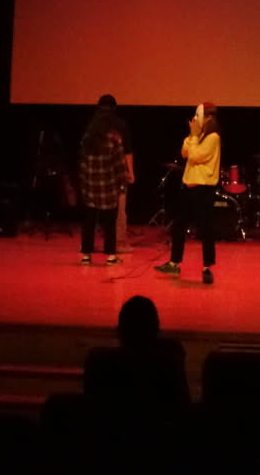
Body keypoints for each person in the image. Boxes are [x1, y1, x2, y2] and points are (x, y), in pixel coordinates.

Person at [82, 295, 191, 418]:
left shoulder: (98, 362)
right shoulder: (170, 362)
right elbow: (183, 408)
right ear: (156, 329)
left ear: (120, 331)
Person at [155, 103, 221, 284]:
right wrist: (192, 135)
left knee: (205, 229)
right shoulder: (197, 136)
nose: (195, 119)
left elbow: (196, 156)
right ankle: (174, 263)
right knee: (179, 226)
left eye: (199, 116)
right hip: (189, 187)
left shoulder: (213, 138)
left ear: (208, 118)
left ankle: (207, 267)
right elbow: (185, 152)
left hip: (204, 189)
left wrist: (194, 137)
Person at [76, 106, 130, 265]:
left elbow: (82, 164)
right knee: (109, 224)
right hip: (109, 188)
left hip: (90, 187)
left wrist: (83, 184)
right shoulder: (114, 138)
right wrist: (122, 183)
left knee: (89, 223)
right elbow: (119, 165)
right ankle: (111, 256)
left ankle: (86, 255)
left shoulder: (87, 138)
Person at [92, 94, 135, 252]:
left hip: (97, 172)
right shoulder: (120, 125)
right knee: (119, 209)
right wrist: (130, 172)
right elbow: (127, 151)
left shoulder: (93, 126)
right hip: (116, 173)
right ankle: (118, 243)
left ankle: (88, 244)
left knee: (94, 208)